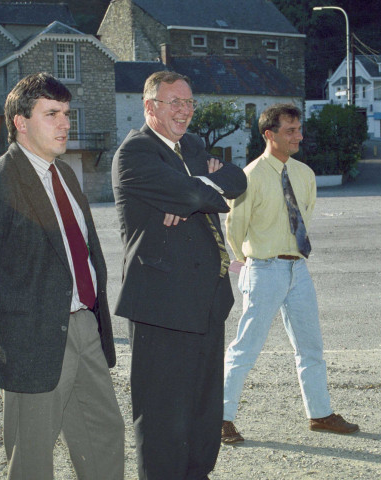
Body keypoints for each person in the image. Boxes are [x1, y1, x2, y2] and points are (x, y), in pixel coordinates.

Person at [0, 72, 124, 480]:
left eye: (67, 114)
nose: (66, 123)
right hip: (31, 345)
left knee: (105, 436)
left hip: (85, 328)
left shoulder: (64, 175)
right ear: (20, 122)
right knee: (31, 460)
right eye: (52, 114)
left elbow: (82, 255)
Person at [112, 71, 247, 479]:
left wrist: (191, 189)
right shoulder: (135, 153)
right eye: (174, 102)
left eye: (189, 102)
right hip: (161, 305)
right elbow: (199, 196)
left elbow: (237, 180)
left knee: (204, 412)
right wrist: (194, 193)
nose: (184, 111)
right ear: (150, 107)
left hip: (207, 302)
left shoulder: (191, 145)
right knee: (162, 417)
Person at [221, 103, 358, 445]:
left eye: (299, 129)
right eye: (290, 131)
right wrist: (249, 263)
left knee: (311, 347)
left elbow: (304, 217)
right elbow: (234, 228)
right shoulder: (249, 176)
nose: (298, 136)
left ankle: (320, 414)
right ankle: (220, 419)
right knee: (245, 349)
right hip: (264, 269)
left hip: (299, 270)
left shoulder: (305, 174)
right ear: (269, 135)